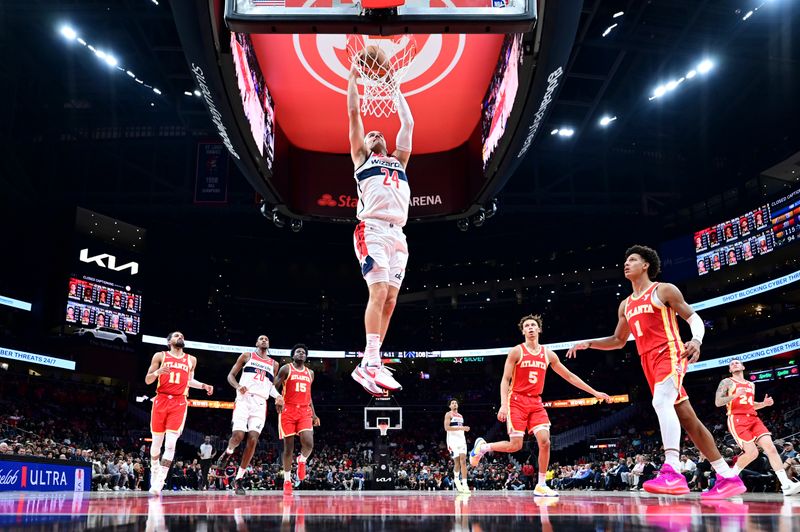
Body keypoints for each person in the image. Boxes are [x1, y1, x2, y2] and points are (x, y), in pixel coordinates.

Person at [567, 245, 746, 499]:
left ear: (646, 265)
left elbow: (693, 317)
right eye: (625, 260)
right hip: (647, 361)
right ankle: (727, 477)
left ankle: (672, 470)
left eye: (632, 259)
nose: (626, 264)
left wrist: (696, 340)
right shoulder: (625, 305)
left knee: (661, 401)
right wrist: (589, 343)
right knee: (689, 420)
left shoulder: (663, 290)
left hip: (670, 352)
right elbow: (618, 340)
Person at [470, 314, 611, 497]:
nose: (530, 328)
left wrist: (595, 392)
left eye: (533, 325)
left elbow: (569, 376)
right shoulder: (516, 351)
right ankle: (483, 447)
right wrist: (504, 405)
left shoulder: (548, 354)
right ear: (523, 331)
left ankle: (541, 485)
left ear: (539, 329)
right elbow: (505, 380)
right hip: (516, 400)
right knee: (516, 446)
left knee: (545, 441)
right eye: (526, 326)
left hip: (536, 401)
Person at [346, 61, 413, 396]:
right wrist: (354, 79)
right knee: (378, 293)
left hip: (398, 234)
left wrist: (394, 86)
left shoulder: (399, 161)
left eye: (378, 133)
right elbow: (355, 114)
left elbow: (409, 123)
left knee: (391, 301)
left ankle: (367, 363)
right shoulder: (361, 158)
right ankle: (371, 361)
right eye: (370, 134)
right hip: (370, 229)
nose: (374, 134)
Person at [715, 359, 800, 496]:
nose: (735, 364)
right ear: (730, 370)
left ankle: (786, 485)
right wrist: (735, 394)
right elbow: (718, 402)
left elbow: (750, 404)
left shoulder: (751, 384)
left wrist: (764, 404)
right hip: (737, 418)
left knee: (771, 448)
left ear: (743, 366)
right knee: (752, 453)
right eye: (732, 364)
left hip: (753, 418)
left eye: (737, 362)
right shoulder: (727, 382)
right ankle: (729, 478)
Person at [144, 331, 214, 496]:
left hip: (179, 402)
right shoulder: (160, 356)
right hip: (160, 400)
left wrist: (204, 385)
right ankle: (155, 471)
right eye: (176, 336)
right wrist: (157, 373)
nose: (180, 337)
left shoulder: (191, 359)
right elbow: (148, 380)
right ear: (169, 341)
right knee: (156, 444)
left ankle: (160, 480)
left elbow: (189, 381)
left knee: (170, 444)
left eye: (182, 335)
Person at [216, 335, 283, 495]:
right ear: (256, 342)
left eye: (267, 339)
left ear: (269, 343)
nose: (264, 340)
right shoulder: (247, 356)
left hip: (260, 404)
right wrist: (238, 386)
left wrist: (278, 396)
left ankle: (238, 479)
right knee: (238, 436)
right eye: (261, 338)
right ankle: (228, 452)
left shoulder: (274, 364)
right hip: (244, 399)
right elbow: (230, 376)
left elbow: (270, 387)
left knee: (253, 440)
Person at [274, 344, 320, 495]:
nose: (301, 353)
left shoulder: (310, 373)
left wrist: (314, 414)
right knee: (288, 448)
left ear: (306, 357)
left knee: (309, 443)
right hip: (288, 410)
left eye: (303, 352)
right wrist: (278, 398)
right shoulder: (286, 369)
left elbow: (309, 395)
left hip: (305, 410)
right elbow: (274, 386)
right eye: (298, 352)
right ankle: (287, 481)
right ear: (293, 355)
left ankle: (302, 460)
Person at [444, 399, 471, 493]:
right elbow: (446, 428)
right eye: (452, 403)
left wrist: (463, 430)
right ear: (450, 406)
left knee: (463, 461)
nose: (454, 404)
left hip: (461, 440)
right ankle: (456, 479)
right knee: (457, 463)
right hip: (452, 441)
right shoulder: (448, 414)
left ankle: (465, 484)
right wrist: (462, 428)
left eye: (455, 403)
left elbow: (460, 429)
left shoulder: (461, 416)